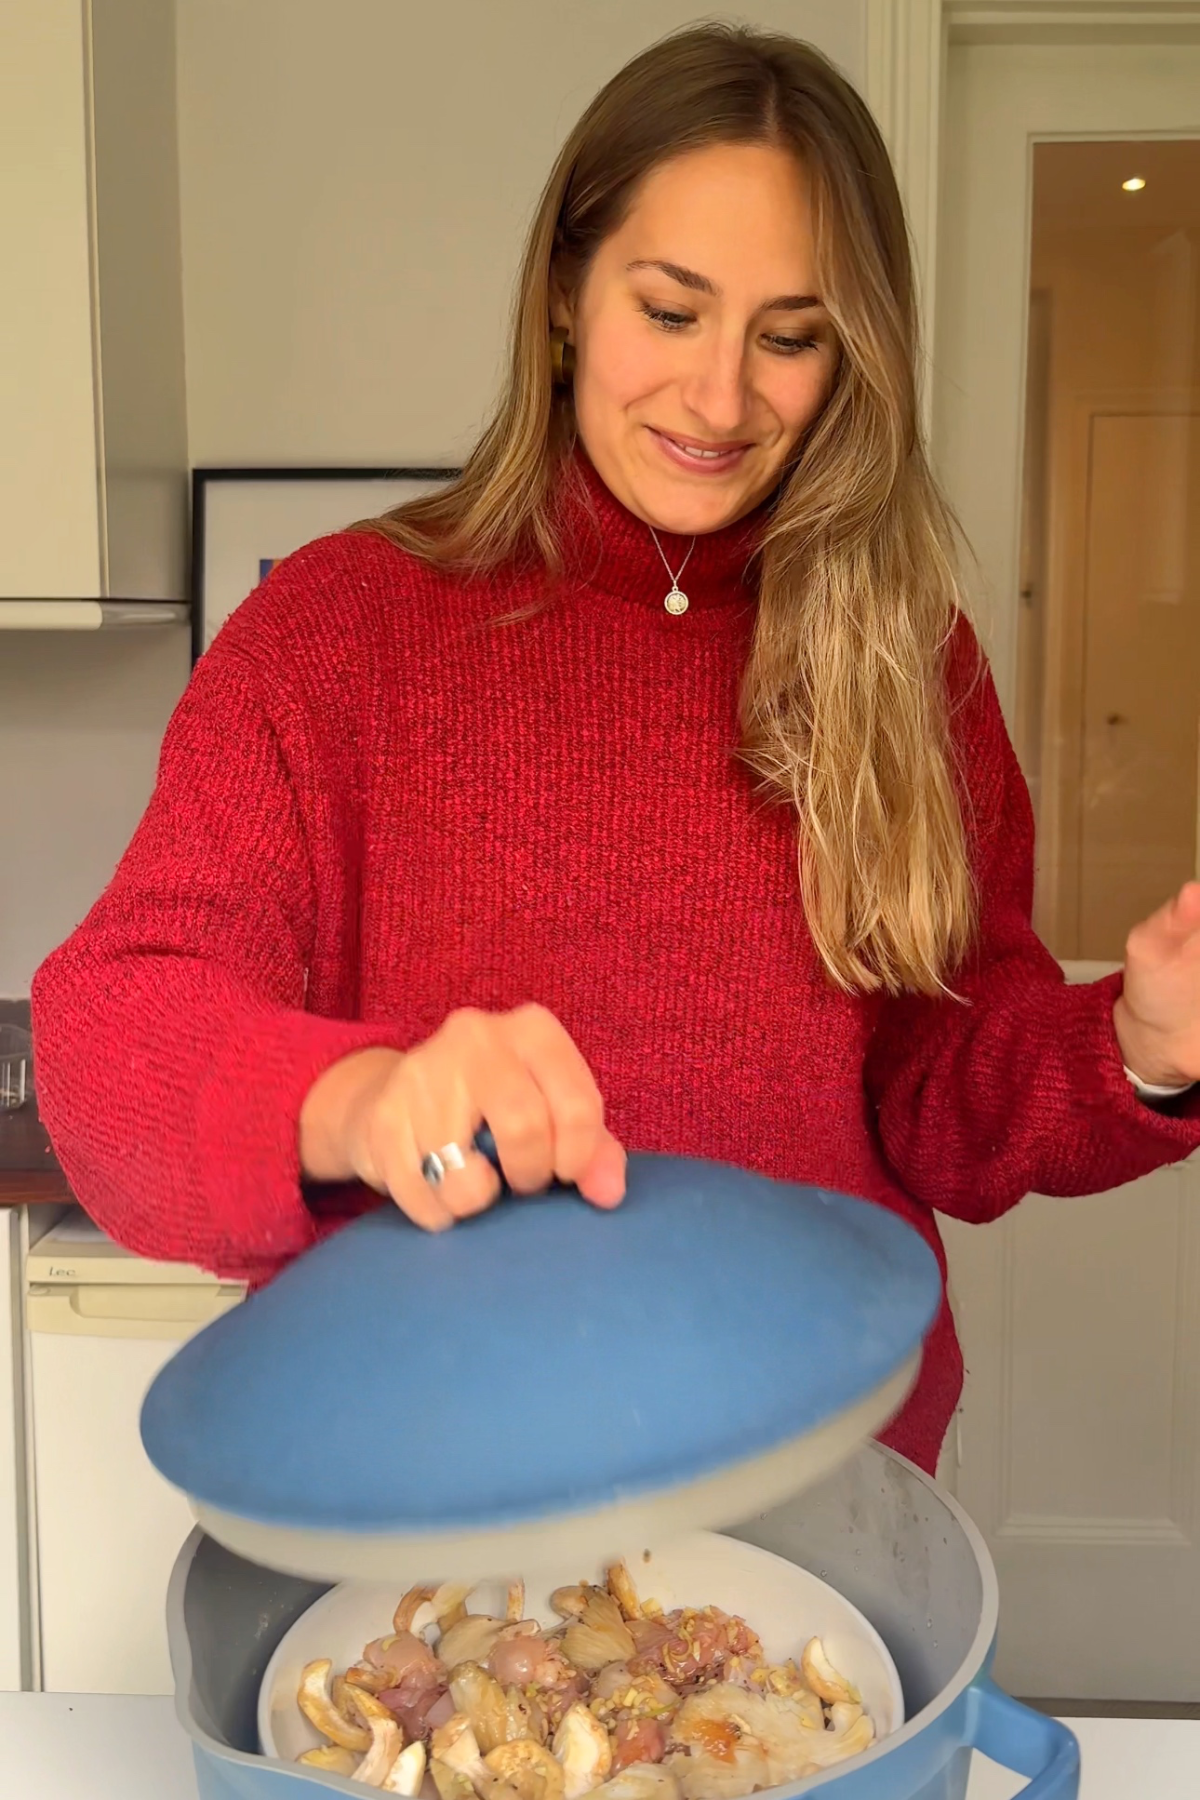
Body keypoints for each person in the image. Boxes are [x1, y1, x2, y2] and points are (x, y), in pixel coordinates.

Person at [30, 24, 1200, 1476]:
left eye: (789, 335)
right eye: (671, 310)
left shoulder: (908, 661)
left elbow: (942, 1099)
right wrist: (360, 1098)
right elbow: (111, 1034)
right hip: (429, 1500)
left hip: (816, 1490)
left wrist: (1135, 1052)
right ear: (569, 298)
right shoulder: (339, 633)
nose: (721, 400)